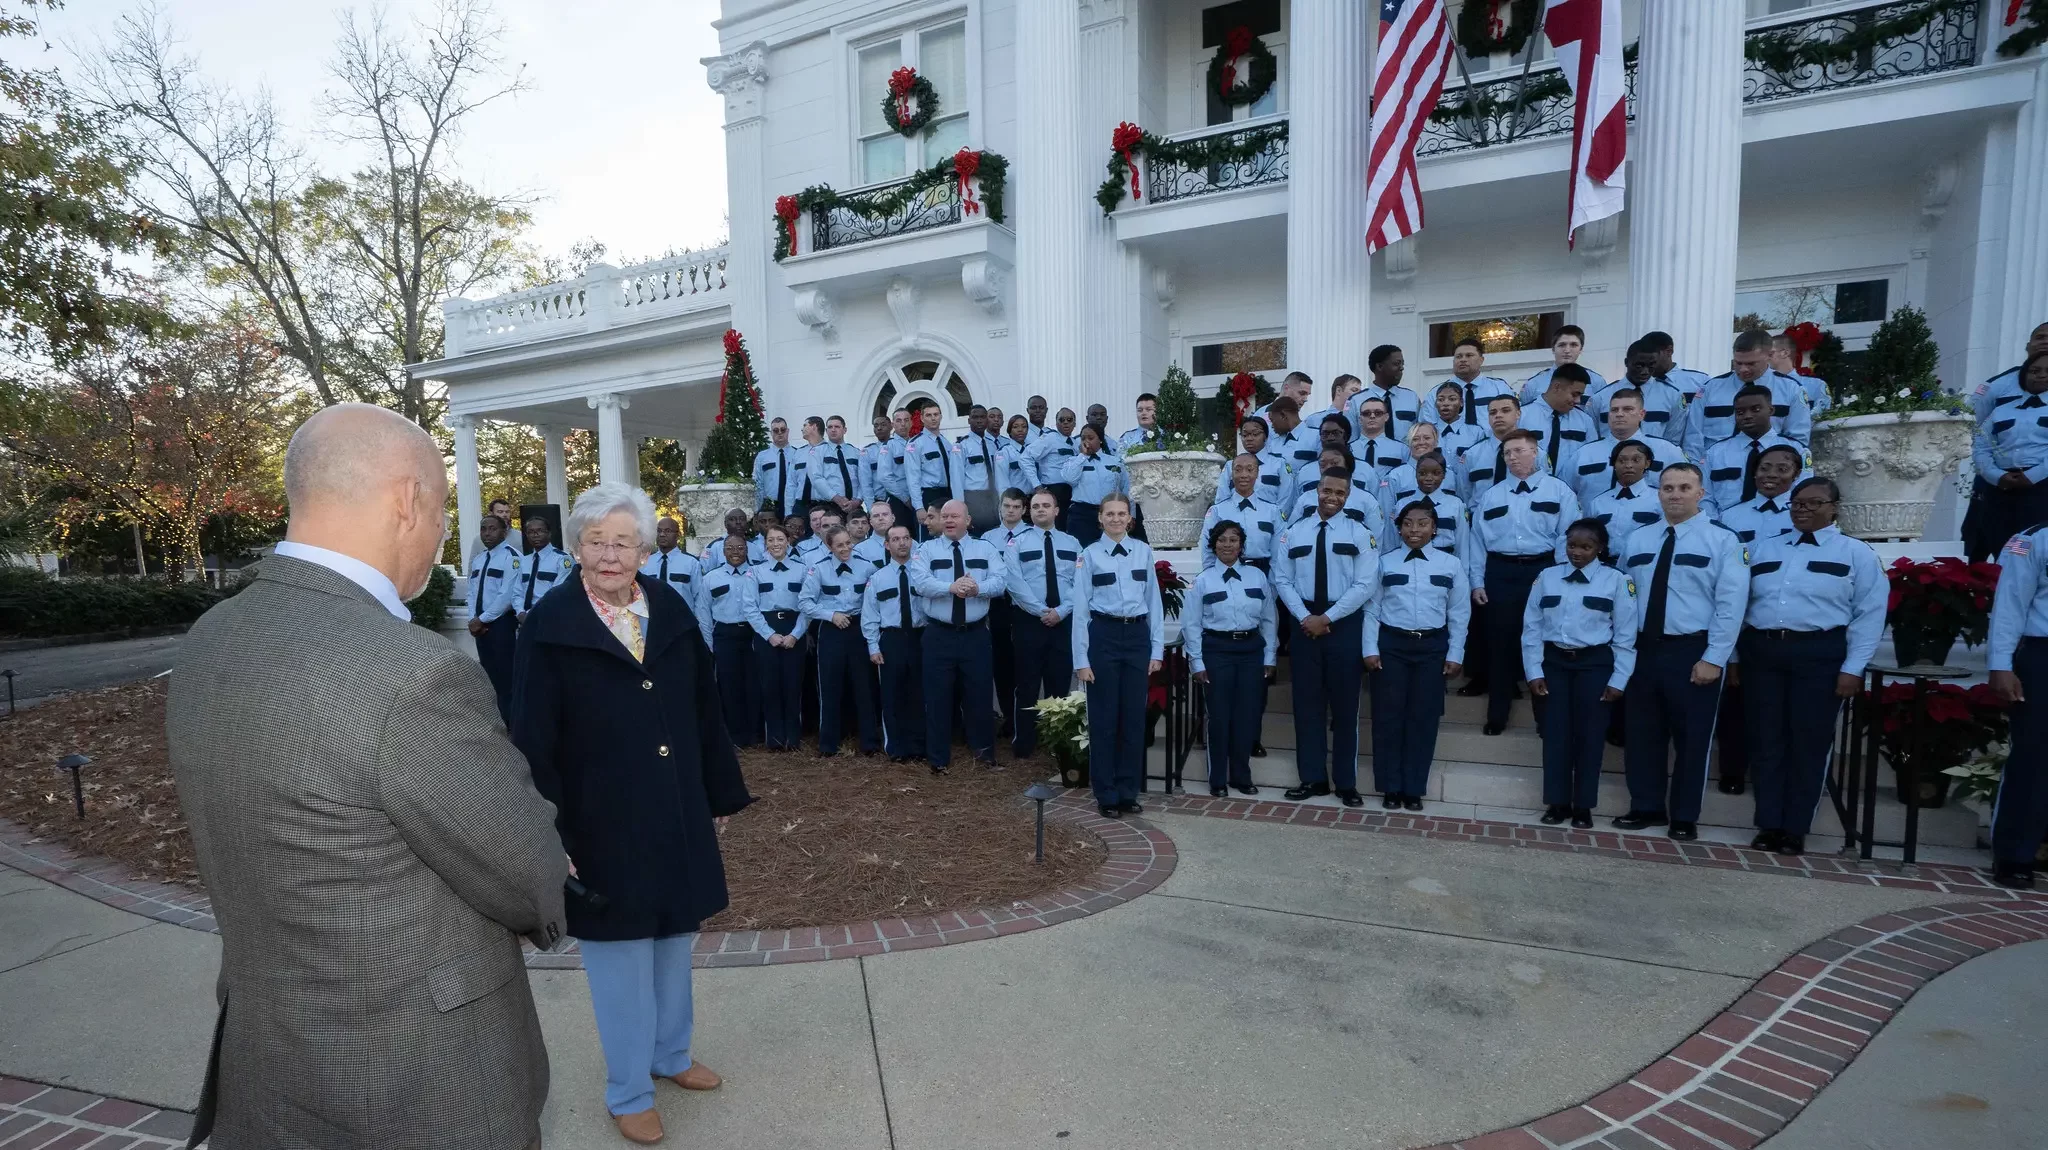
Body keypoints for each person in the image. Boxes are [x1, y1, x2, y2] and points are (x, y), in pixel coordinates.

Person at [167, 404, 566, 1150]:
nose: (443, 530)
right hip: (419, 1087)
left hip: (267, 1067)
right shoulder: (411, 674)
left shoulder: (208, 639)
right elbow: (525, 870)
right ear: (407, 500)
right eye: (443, 508)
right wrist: (551, 862)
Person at [512, 482, 751, 1146]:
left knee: (675, 936)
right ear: (577, 546)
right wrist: (548, 829)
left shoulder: (669, 607)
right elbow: (531, 738)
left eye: (623, 542)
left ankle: (671, 1056)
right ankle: (628, 1091)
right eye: (597, 541)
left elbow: (705, 708)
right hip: (600, 822)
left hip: (675, 809)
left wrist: (717, 794)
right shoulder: (550, 627)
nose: (610, 554)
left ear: (645, 548)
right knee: (620, 956)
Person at [1739, 477, 1884, 856]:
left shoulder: (1856, 553)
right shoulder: (1765, 548)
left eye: (1814, 503)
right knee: (1766, 740)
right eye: (1797, 503)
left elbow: (1869, 614)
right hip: (1764, 651)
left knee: (1809, 742)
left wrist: (1854, 668)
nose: (1802, 509)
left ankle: (1795, 827)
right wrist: (1736, 657)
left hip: (1820, 653)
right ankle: (1769, 823)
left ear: (1835, 507)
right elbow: (1739, 604)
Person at [1615, 463, 1747, 841]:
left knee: (1692, 738)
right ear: (1658, 493)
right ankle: (1646, 806)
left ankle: (1685, 815)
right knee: (1642, 733)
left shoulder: (1723, 541)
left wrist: (1715, 658)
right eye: (1668, 488)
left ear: (1700, 493)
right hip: (1642, 649)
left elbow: (1731, 605)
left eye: (1684, 488)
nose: (1675, 494)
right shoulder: (1638, 539)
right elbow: (1625, 595)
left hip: (1692, 650)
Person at [1523, 518, 1638, 829]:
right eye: (1572, 545)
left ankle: (1583, 806)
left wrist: (1619, 679)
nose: (1577, 552)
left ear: (1599, 548)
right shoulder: (1547, 577)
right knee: (1555, 735)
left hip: (1595, 664)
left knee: (1589, 736)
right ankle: (1557, 803)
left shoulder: (1616, 580)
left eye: (1586, 547)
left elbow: (1626, 636)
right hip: (1555, 663)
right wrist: (1534, 671)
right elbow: (1531, 628)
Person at [1274, 468, 1379, 805]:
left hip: (1343, 624)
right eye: (1326, 490)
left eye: (1339, 492)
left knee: (1346, 707)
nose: (1332, 497)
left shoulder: (1361, 534)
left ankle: (1345, 783)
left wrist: (1327, 617)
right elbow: (1282, 579)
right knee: (1306, 705)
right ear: (1316, 491)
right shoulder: (1293, 532)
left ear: (1348, 496)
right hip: (1304, 625)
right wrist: (1306, 617)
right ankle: (1313, 779)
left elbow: (1365, 584)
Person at [1465, 430, 1579, 734]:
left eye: (1519, 450)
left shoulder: (1559, 492)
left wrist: (1560, 578)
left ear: (1535, 452)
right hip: (1500, 573)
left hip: (1543, 570)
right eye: (1507, 453)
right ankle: (1497, 715)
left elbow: (1568, 536)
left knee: (1543, 643)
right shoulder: (1492, 495)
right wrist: (1477, 582)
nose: (1512, 457)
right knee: (1499, 645)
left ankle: (1545, 717)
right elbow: (1477, 543)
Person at [1364, 500, 1469, 810]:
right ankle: (1390, 787)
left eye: (1423, 523)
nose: (1415, 529)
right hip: (1392, 646)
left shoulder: (1451, 565)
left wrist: (1456, 653)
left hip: (1432, 648)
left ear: (1434, 528)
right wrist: (1370, 649)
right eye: (1408, 523)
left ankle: (1413, 788)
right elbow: (1372, 609)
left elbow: (1460, 612)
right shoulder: (1384, 563)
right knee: (1388, 717)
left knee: (1423, 719)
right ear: (1398, 528)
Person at [1071, 493, 1165, 818]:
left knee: (1134, 720)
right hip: (1104, 637)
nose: (1115, 519)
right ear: (1099, 518)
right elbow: (1081, 611)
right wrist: (1081, 661)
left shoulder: (1143, 551)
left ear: (1129, 518)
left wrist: (1157, 650)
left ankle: (1128, 791)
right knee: (1104, 720)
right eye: (1109, 513)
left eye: (1121, 513)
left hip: (1137, 637)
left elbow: (1154, 603)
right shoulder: (1089, 556)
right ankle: (1106, 793)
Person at [911, 500, 1007, 773]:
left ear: (968, 519)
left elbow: (1001, 580)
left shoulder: (984, 549)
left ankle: (985, 756)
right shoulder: (926, 550)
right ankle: (938, 760)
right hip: (939, 635)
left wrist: (979, 588)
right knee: (937, 697)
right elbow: (920, 582)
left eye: (955, 516)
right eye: (945, 516)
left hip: (975, 635)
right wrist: (950, 587)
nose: (949, 520)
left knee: (979, 696)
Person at [1184, 520, 1277, 798]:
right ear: (1213, 545)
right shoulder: (1202, 581)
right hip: (1217, 651)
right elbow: (1191, 625)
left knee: (1247, 716)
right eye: (1222, 540)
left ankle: (1241, 775)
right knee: (1220, 717)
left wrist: (1270, 656)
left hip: (1250, 652)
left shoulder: (1257, 578)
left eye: (1233, 540)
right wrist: (1197, 663)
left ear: (1241, 545)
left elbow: (1269, 620)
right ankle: (1217, 779)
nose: (1227, 545)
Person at [1003, 489, 1080, 759]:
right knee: (1027, 684)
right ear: (1028, 511)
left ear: (1057, 511)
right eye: (1035, 506)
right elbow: (1014, 583)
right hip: (1029, 622)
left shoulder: (1073, 544)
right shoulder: (1016, 543)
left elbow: (1079, 584)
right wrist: (1041, 611)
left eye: (1046, 505)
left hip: (1064, 620)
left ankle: (1058, 744)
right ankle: (1024, 743)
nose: (1040, 510)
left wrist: (1061, 611)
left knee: (1059, 684)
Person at [802, 526, 880, 758]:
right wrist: (831, 615)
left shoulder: (867, 567)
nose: (845, 548)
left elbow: (874, 598)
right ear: (829, 546)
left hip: (859, 629)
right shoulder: (819, 569)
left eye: (848, 543)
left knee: (864, 686)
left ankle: (869, 743)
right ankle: (828, 744)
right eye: (839, 545)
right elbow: (805, 602)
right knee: (830, 685)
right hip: (832, 630)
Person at [1967, 350, 2048, 560]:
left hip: (2042, 488)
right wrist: (1996, 476)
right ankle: (2002, 589)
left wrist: (2032, 476)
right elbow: (1981, 446)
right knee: (2002, 546)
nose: (2040, 375)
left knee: (2032, 548)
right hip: (2002, 487)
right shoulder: (2001, 411)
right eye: (2034, 370)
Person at [1682, 329, 1813, 458]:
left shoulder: (1791, 389)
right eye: (1738, 363)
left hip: (1769, 468)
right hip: (1715, 470)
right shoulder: (1710, 389)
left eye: (1751, 364)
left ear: (1769, 355)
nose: (1743, 369)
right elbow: (1693, 437)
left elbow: (1797, 440)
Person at [862, 524, 928, 762]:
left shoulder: (924, 574)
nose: (902, 543)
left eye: (906, 538)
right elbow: (869, 616)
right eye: (896, 539)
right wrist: (873, 647)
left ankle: (919, 746)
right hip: (891, 639)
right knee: (892, 694)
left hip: (920, 637)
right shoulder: (878, 578)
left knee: (919, 693)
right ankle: (896, 747)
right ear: (887, 545)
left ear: (912, 542)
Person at [1572, 387, 1688, 502]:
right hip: (1594, 517)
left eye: (1627, 409)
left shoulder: (1668, 452)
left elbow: (1688, 488)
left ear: (1642, 414)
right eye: (1614, 410)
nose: (1619, 414)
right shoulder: (1584, 454)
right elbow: (1567, 493)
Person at [697, 535, 760, 748]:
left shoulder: (756, 573)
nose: (735, 551)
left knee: (754, 684)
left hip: (753, 633)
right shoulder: (711, 578)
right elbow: (704, 613)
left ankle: (755, 734)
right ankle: (735, 736)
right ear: (723, 551)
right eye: (730, 548)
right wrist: (710, 644)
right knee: (729, 686)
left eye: (740, 547)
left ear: (746, 550)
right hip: (724, 635)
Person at [1703, 385, 1805, 512]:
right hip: (1726, 524)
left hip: (1780, 525)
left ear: (1771, 410)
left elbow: (1803, 493)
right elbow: (1705, 497)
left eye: (1755, 409)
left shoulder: (1797, 450)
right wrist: (1718, 527)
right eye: (1740, 412)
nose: (1747, 416)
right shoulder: (1714, 453)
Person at [466, 512, 525, 723]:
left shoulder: (513, 557)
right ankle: (494, 721)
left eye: (493, 528)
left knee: (505, 676)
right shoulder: (479, 559)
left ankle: (511, 722)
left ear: (504, 532)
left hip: (501, 624)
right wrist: (473, 618)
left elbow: (507, 595)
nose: (487, 533)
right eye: (484, 529)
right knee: (488, 675)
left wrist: (483, 619)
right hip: (479, 626)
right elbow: (472, 591)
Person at [984, 488, 1032, 737]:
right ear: (1000, 507)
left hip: (1025, 607)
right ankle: (1008, 718)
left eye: (1016, 506)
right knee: (1002, 665)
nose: (1011, 511)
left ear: (1024, 509)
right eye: (1007, 506)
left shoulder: (1033, 535)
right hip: (999, 608)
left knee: (1026, 665)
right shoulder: (988, 538)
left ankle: (1027, 718)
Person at [1590, 340, 1690, 442]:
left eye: (1651, 365)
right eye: (1639, 365)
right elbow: (1592, 438)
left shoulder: (1673, 396)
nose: (1645, 371)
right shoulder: (1600, 398)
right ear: (1626, 362)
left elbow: (1674, 439)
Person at [1202, 453, 1283, 570]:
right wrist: (1212, 578)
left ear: (1257, 473)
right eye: (1238, 470)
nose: (1244, 475)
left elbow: (1278, 554)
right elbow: (1208, 550)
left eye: (1250, 470)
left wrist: (1272, 583)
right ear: (1231, 474)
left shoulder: (1273, 511)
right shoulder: (1217, 511)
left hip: (1264, 574)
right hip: (1228, 573)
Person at [1518, 362, 1598, 478]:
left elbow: (1591, 459)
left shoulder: (1585, 421)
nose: (1578, 401)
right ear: (1557, 387)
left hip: (1571, 491)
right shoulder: (1521, 416)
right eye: (1575, 394)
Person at [1377, 452, 1463, 555]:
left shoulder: (1456, 505)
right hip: (1408, 562)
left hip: (1445, 566)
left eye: (1436, 473)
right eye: (1422, 473)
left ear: (1444, 475)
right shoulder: (1401, 505)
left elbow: (1462, 544)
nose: (1429, 478)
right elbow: (1391, 542)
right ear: (1415, 474)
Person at [1585, 442, 1666, 551]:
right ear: (1614, 464)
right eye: (1622, 461)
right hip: (1604, 564)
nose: (1628, 465)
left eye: (1636, 460)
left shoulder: (1660, 499)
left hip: (1641, 563)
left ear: (1647, 463)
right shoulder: (1598, 502)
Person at [1717, 445, 1803, 548]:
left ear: (1797, 474)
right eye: (1764, 468)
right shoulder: (1729, 516)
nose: (1771, 474)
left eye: (1782, 469)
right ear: (1754, 472)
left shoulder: (1805, 515)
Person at [1060, 423, 1129, 547]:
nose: (1086, 442)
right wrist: (1083, 456)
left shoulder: (1115, 461)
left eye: (1090, 438)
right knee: (1082, 553)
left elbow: (1126, 489)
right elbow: (1069, 478)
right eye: (1083, 439)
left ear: (1100, 440)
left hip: (1110, 513)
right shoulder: (1073, 461)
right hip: (1082, 515)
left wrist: (1131, 514)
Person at [1969, 320, 2048, 423]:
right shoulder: (1997, 384)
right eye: (2040, 337)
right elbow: (1968, 422)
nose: (2046, 341)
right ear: (2027, 347)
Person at [1457, 393, 1525, 505]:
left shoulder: (1534, 453)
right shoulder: (1471, 455)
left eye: (1505, 410)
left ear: (1518, 414)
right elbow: (1464, 494)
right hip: (1482, 519)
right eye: (1493, 412)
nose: (1498, 415)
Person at [1518, 325, 1608, 404]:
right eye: (1562, 345)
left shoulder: (1597, 382)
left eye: (1573, 345)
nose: (1567, 350)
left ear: (1581, 349)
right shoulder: (1534, 384)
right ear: (1553, 349)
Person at [1213, 415, 1290, 505]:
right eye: (1245, 435)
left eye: (1255, 434)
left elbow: (1286, 498)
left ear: (1266, 436)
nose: (1249, 439)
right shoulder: (1231, 465)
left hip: (1269, 518)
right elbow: (1222, 498)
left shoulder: (1279, 464)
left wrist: (1274, 516)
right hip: (1235, 517)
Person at [1439, 337, 1512, 429]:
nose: (1463, 360)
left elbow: (1513, 419)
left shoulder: (1499, 388)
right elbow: (1428, 426)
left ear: (1481, 360)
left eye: (1469, 355)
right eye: (1458, 356)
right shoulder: (1437, 393)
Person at [1025, 407, 1081, 526]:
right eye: (1061, 420)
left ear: (1074, 423)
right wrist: (1036, 485)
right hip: (1054, 491)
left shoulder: (1075, 443)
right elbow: (1025, 457)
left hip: (1072, 493)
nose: (1065, 422)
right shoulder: (1049, 438)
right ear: (1056, 423)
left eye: (1069, 419)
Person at [1354, 349, 1425, 440]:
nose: (1401, 368)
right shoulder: (1356, 401)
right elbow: (1351, 438)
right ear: (1380, 366)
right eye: (1396, 363)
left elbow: (1421, 432)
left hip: (1405, 453)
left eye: (1402, 364)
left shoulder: (1411, 398)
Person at [515, 515, 572, 621]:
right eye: (531, 532)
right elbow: (517, 592)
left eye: (540, 531)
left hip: (550, 617)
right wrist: (520, 612)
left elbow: (557, 594)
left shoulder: (562, 559)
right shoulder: (524, 561)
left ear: (549, 533)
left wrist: (532, 614)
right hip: (524, 620)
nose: (535, 535)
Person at [956, 404, 1002, 531]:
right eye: (975, 417)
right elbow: (956, 479)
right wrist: (960, 508)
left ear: (987, 420)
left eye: (982, 417)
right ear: (969, 420)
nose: (979, 420)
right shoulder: (961, 446)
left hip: (994, 497)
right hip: (973, 499)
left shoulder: (993, 445)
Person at [812, 414, 866, 516]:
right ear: (826, 431)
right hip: (829, 506)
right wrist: (837, 498)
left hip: (854, 506)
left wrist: (858, 500)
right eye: (830, 427)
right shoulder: (817, 452)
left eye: (837, 427)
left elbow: (863, 479)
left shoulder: (856, 452)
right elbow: (817, 478)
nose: (833, 430)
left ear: (844, 430)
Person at [1770, 334, 1831, 420]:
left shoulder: (1817, 385)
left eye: (1770, 353)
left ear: (1784, 353)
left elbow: (1823, 413)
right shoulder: (1762, 386)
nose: (1765, 357)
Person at [1641, 329, 1711, 403]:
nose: (1647, 361)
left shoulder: (1700, 381)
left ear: (1669, 351)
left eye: (1652, 355)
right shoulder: (1639, 385)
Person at [642, 516, 702, 599]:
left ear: (678, 535)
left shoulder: (691, 563)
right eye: (659, 531)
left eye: (668, 531)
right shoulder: (645, 563)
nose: (662, 534)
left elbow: (699, 597)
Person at [1349, 396, 1405, 479]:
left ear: (1386, 417)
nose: (1372, 416)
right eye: (1366, 413)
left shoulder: (1402, 450)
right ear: (1360, 419)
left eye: (1378, 413)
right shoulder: (1348, 449)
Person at [753, 416, 799, 518]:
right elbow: (757, 483)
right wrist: (757, 510)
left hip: (793, 505)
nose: (780, 433)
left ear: (788, 431)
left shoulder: (798, 454)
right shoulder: (762, 456)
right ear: (771, 433)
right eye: (776, 430)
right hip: (770, 507)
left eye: (783, 430)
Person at [998, 414, 1038, 492]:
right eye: (1015, 427)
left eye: (1024, 427)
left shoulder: (1033, 450)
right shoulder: (1003, 452)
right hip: (1015, 499)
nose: (1020, 430)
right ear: (1009, 431)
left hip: (1034, 498)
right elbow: (1002, 482)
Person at [854, 499, 895, 565]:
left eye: (885, 514)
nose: (881, 518)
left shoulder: (911, 544)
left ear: (893, 518)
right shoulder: (859, 550)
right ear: (870, 522)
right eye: (876, 516)